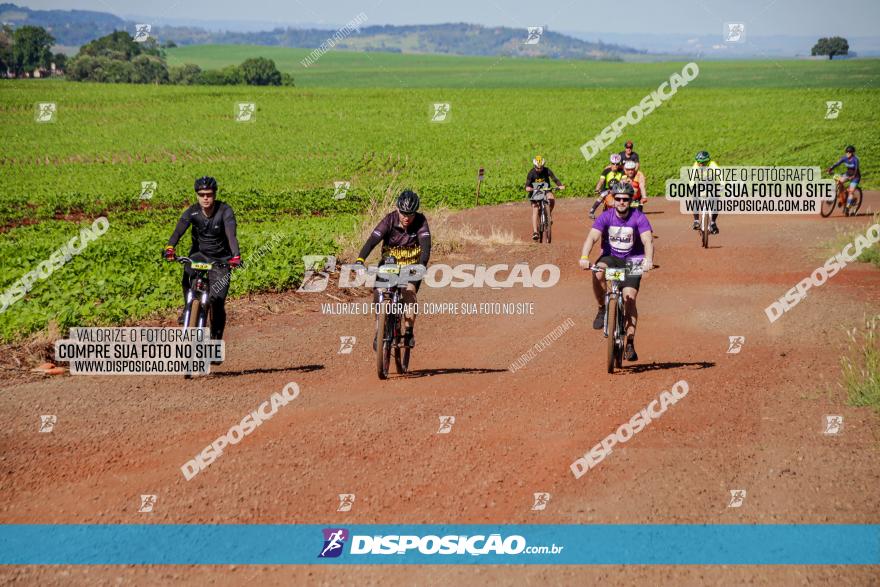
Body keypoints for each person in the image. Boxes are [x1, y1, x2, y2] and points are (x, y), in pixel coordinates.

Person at [578, 182, 654, 361]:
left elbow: (648, 241)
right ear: (613, 199)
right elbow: (592, 237)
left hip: (633, 262)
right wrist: (584, 256)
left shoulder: (639, 217)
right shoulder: (606, 216)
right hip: (611, 259)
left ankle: (630, 342)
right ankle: (603, 308)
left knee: (630, 299)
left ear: (631, 201)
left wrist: (648, 260)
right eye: (618, 198)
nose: (621, 202)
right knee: (598, 272)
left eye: (625, 199)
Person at [164, 176, 241, 343]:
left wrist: (235, 256)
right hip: (199, 255)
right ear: (197, 195)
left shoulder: (225, 211)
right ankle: (188, 308)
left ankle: (215, 340)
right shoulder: (192, 211)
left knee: (217, 301)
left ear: (214, 195)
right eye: (201, 194)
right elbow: (178, 231)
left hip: (220, 259)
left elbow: (231, 234)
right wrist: (170, 247)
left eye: (209, 194)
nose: (205, 198)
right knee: (187, 272)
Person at [356, 190, 431, 348]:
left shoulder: (421, 221)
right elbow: (372, 241)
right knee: (380, 293)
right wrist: (360, 260)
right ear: (397, 209)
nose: (406, 217)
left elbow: (426, 247)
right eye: (403, 213)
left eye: (410, 214)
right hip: (390, 264)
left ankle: (409, 331)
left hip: (412, 266)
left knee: (408, 291)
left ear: (415, 212)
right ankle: (380, 329)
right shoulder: (389, 220)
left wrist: (422, 265)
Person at [525, 155, 565, 241]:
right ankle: (535, 232)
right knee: (535, 208)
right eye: (537, 168)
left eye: (541, 168)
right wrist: (529, 188)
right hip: (535, 191)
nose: (539, 169)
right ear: (534, 166)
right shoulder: (531, 173)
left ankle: (548, 214)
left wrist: (560, 185)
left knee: (551, 197)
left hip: (546, 189)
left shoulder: (547, 170)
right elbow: (527, 186)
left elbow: (554, 179)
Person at [589, 154, 625, 219]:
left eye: (617, 164)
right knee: (603, 195)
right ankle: (592, 211)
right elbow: (601, 181)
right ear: (611, 163)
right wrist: (597, 188)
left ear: (619, 164)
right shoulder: (606, 171)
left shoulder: (622, 172)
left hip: (617, 190)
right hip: (606, 190)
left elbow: (624, 181)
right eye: (613, 164)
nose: (615, 166)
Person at [692, 150, 720, 233]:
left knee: (716, 201)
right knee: (695, 198)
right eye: (699, 162)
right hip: (700, 184)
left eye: (703, 162)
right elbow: (692, 178)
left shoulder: (712, 164)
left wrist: (723, 185)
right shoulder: (696, 165)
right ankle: (696, 221)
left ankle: (713, 222)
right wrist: (692, 186)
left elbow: (720, 175)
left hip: (712, 184)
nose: (701, 164)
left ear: (708, 161)